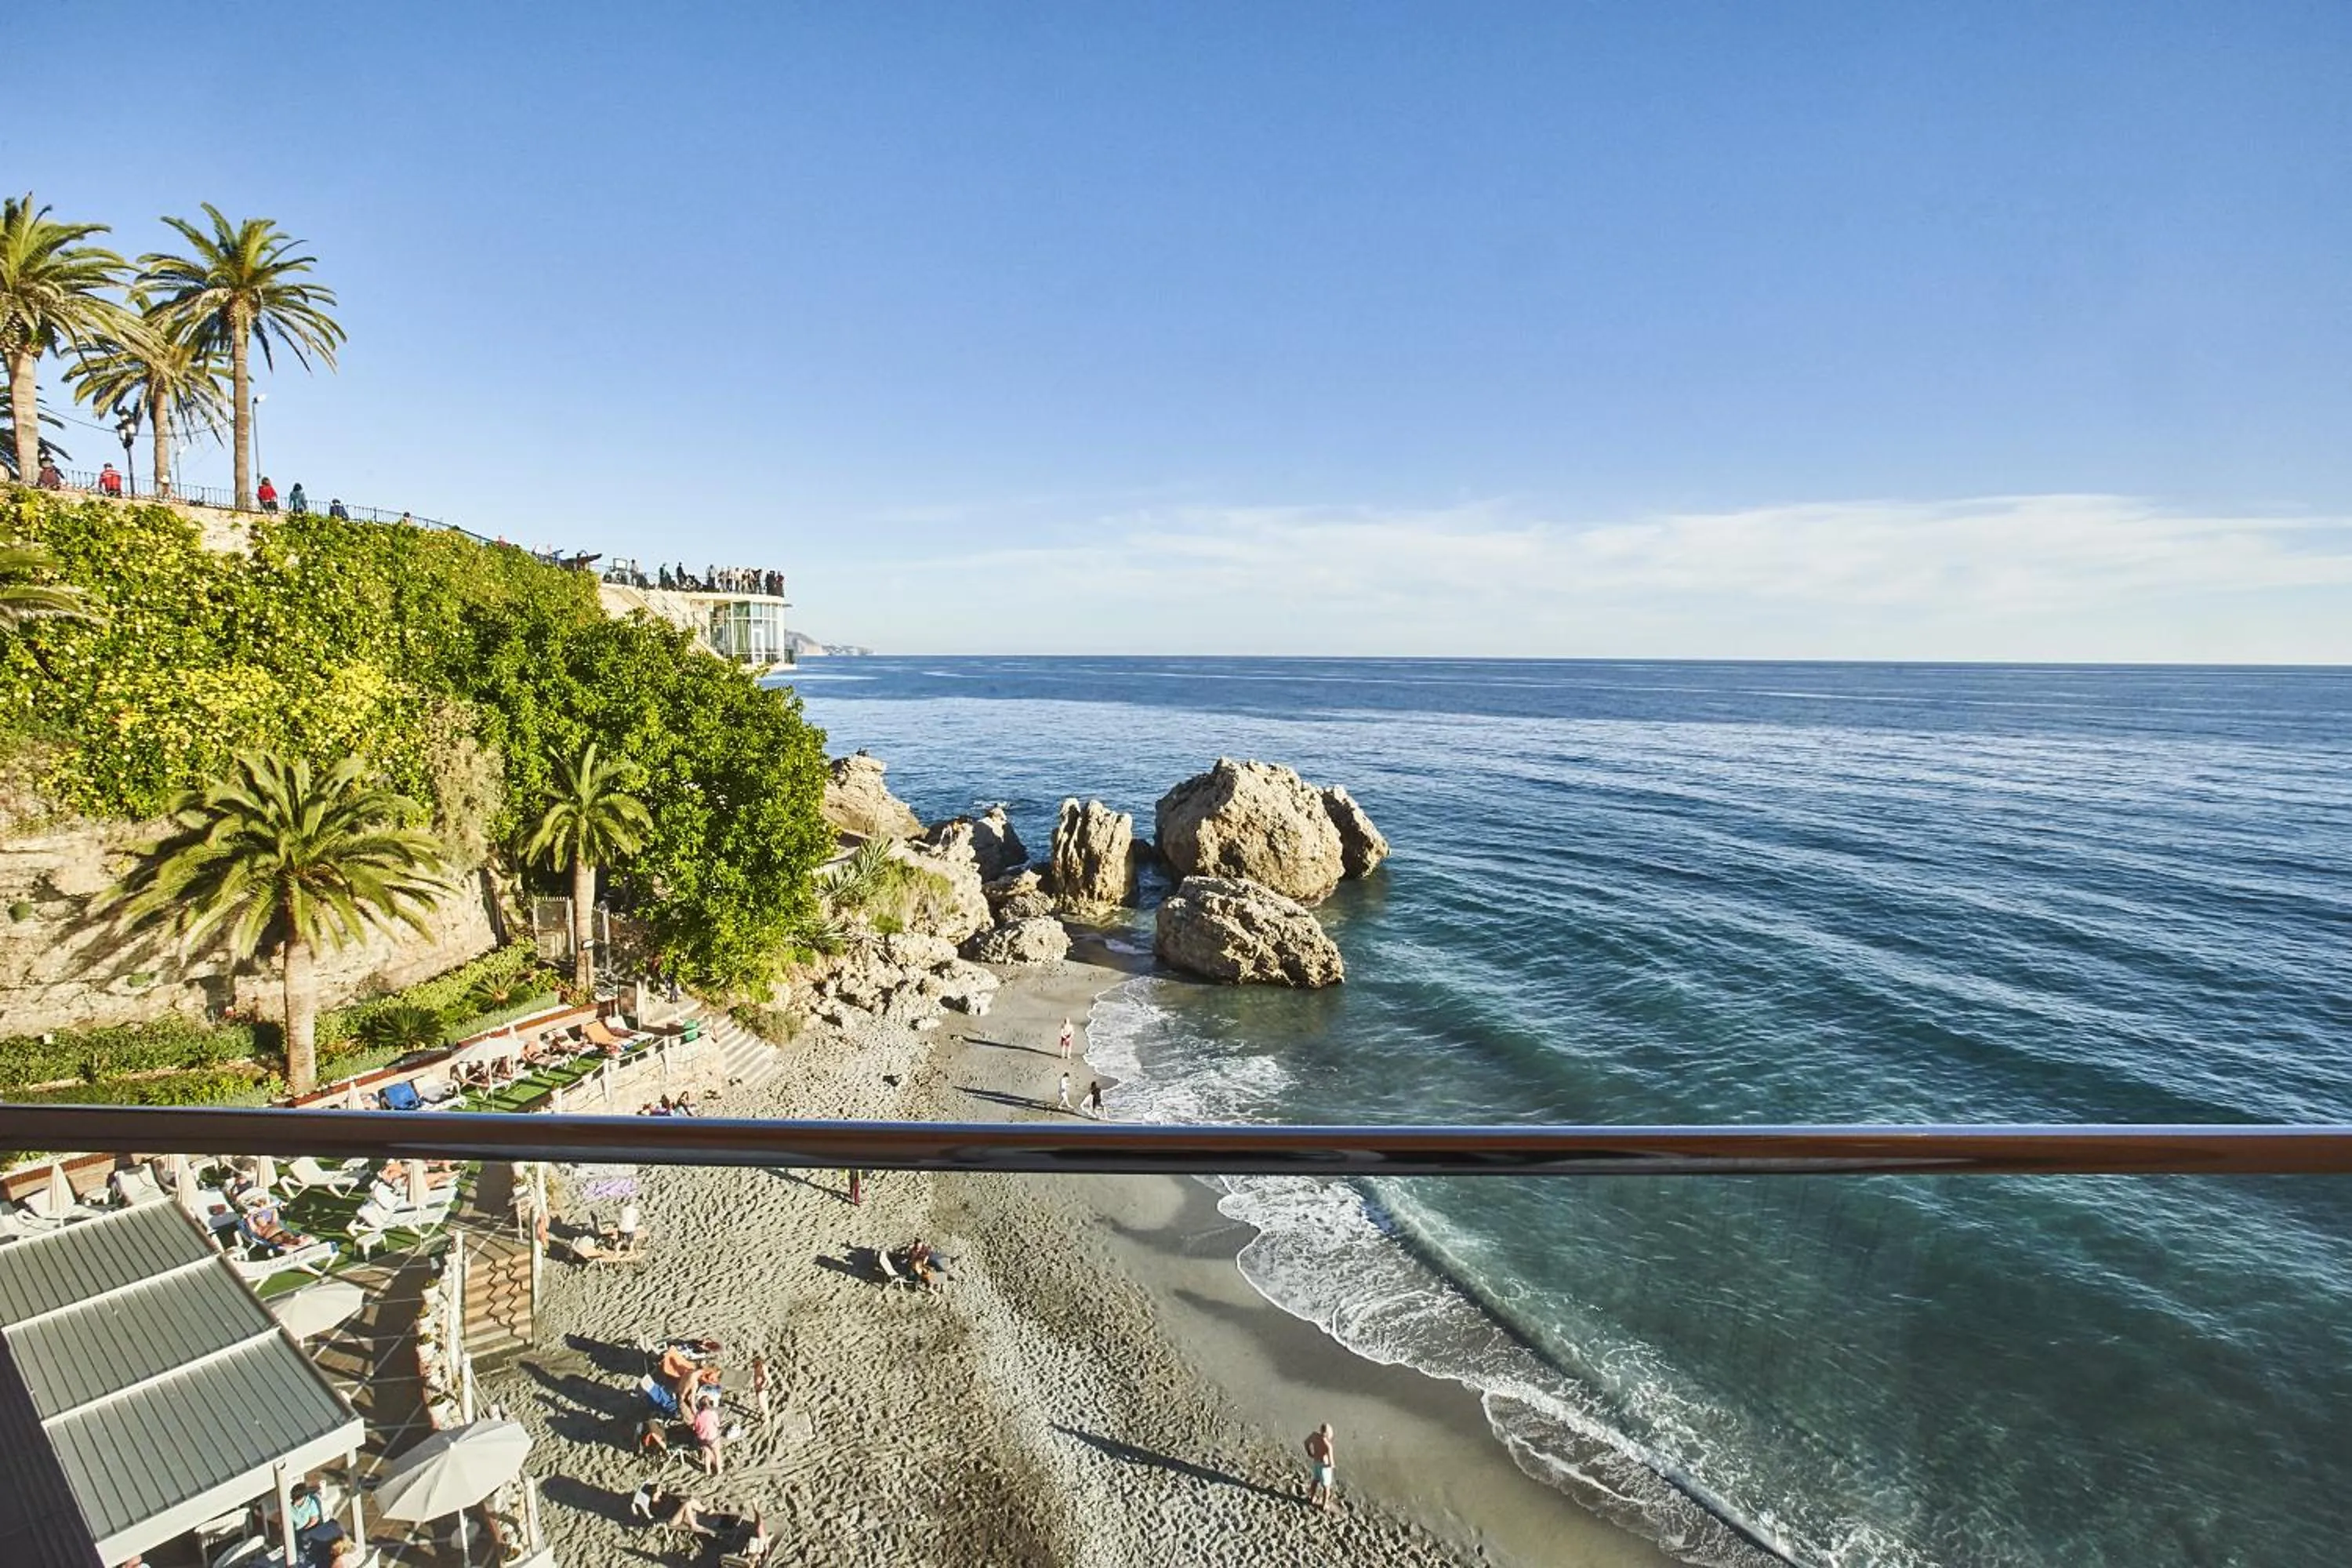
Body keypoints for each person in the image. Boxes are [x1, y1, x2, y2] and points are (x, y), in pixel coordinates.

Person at [1305, 1423, 1337, 1512]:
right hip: (1324, 1467)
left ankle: (1312, 1497)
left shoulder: (1314, 1436)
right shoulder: (1328, 1446)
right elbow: (1331, 1462)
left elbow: (1306, 1443)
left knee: (1315, 1480)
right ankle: (1325, 1504)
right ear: (1327, 1434)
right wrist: (1332, 1466)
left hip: (1316, 1462)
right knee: (1326, 1487)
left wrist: (1310, 1452)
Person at [691, 1391, 724, 1476]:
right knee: (717, 1453)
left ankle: (708, 1471)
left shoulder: (698, 1415)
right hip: (712, 1437)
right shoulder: (713, 1413)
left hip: (702, 1438)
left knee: (707, 1454)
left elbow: (696, 1427)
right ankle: (719, 1470)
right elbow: (717, 1425)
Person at [750, 1350, 773, 1428]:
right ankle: (766, 1415)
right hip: (758, 1388)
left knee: (763, 1403)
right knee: (762, 1403)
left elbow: (771, 1382)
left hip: (762, 1390)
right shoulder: (757, 1367)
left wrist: (763, 1388)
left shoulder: (763, 1369)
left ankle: (767, 1419)